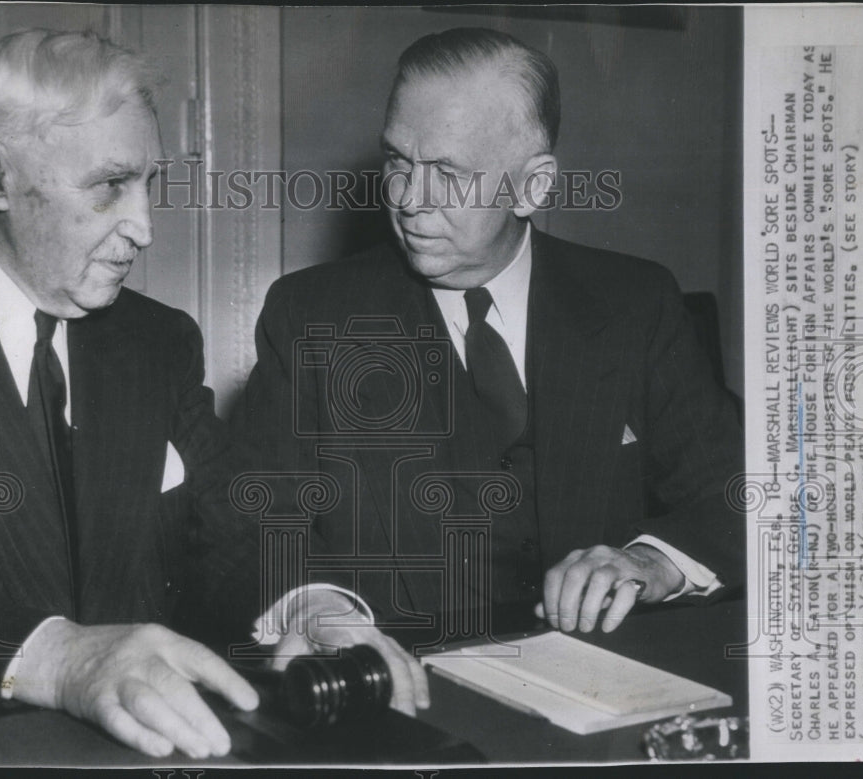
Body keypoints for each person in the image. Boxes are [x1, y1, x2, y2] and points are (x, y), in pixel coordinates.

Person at [0, 29, 425, 760]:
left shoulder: (157, 342)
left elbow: (237, 521)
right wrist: (53, 658)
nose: (142, 227)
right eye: (111, 184)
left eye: (149, 185)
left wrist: (312, 603)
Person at [232, 27, 745, 650]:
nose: (407, 200)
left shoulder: (637, 304)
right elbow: (252, 518)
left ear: (532, 186)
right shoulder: (310, 315)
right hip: (404, 680)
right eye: (397, 161)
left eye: (447, 173)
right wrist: (316, 605)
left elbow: (739, 492)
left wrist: (651, 563)